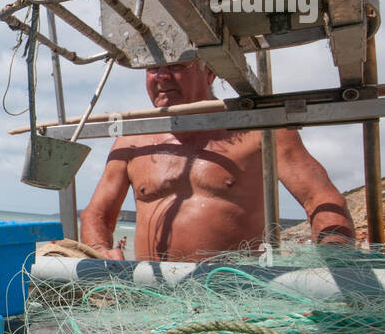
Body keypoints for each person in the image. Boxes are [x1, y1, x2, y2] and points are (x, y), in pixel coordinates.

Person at [80, 59, 355, 261]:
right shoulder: (131, 141)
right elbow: (97, 214)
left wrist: (335, 259)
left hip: (240, 295)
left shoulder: (261, 130)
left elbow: (320, 199)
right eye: (152, 68)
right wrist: (101, 251)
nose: (162, 76)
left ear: (210, 71)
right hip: (156, 292)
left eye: (176, 65)